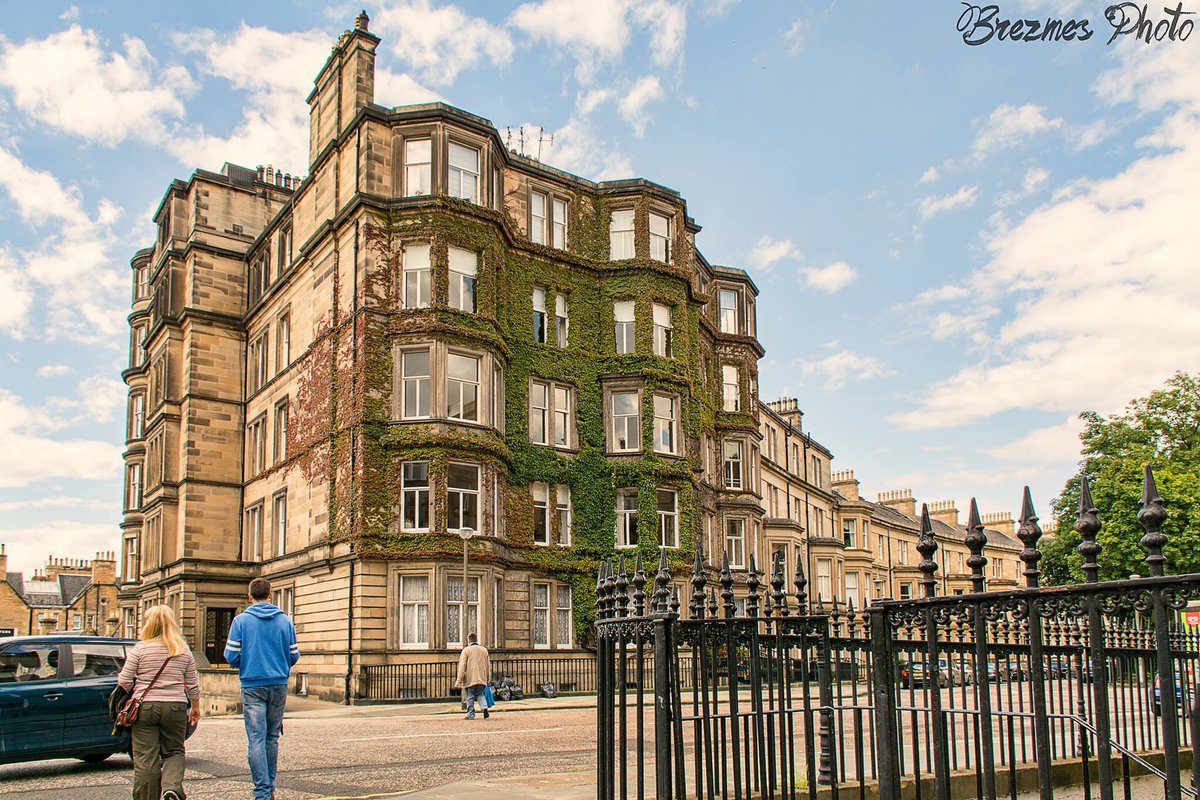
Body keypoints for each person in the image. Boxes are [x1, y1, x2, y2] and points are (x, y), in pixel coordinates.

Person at [224, 578, 300, 800]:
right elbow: (294, 654)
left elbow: (230, 655)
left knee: (256, 737)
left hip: (252, 684)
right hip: (278, 683)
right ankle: (270, 786)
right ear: (270, 594)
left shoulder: (241, 621)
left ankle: (262, 792)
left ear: (250, 596)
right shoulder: (285, 621)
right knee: (271, 737)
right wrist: (279, 663)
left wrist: (248, 662)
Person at [116, 604, 201, 800]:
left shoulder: (140, 649)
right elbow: (192, 684)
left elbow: (124, 680)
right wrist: (195, 707)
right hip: (175, 706)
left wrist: (135, 689)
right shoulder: (182, 650)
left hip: (145, 706)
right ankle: (172, 788)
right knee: (174, 750)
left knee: (146, 756)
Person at [454, 633, 491, 720]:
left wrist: (458, 680)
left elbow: (462, 666)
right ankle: (484, 707)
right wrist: (488, 678)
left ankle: (470, 714)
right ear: (476, 639)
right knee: (480, 694)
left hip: (470, 678)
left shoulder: (466, 650)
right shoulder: (484, 650)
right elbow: (488, 665)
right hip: (481, 677)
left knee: (470, 696)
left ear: (469, 640)